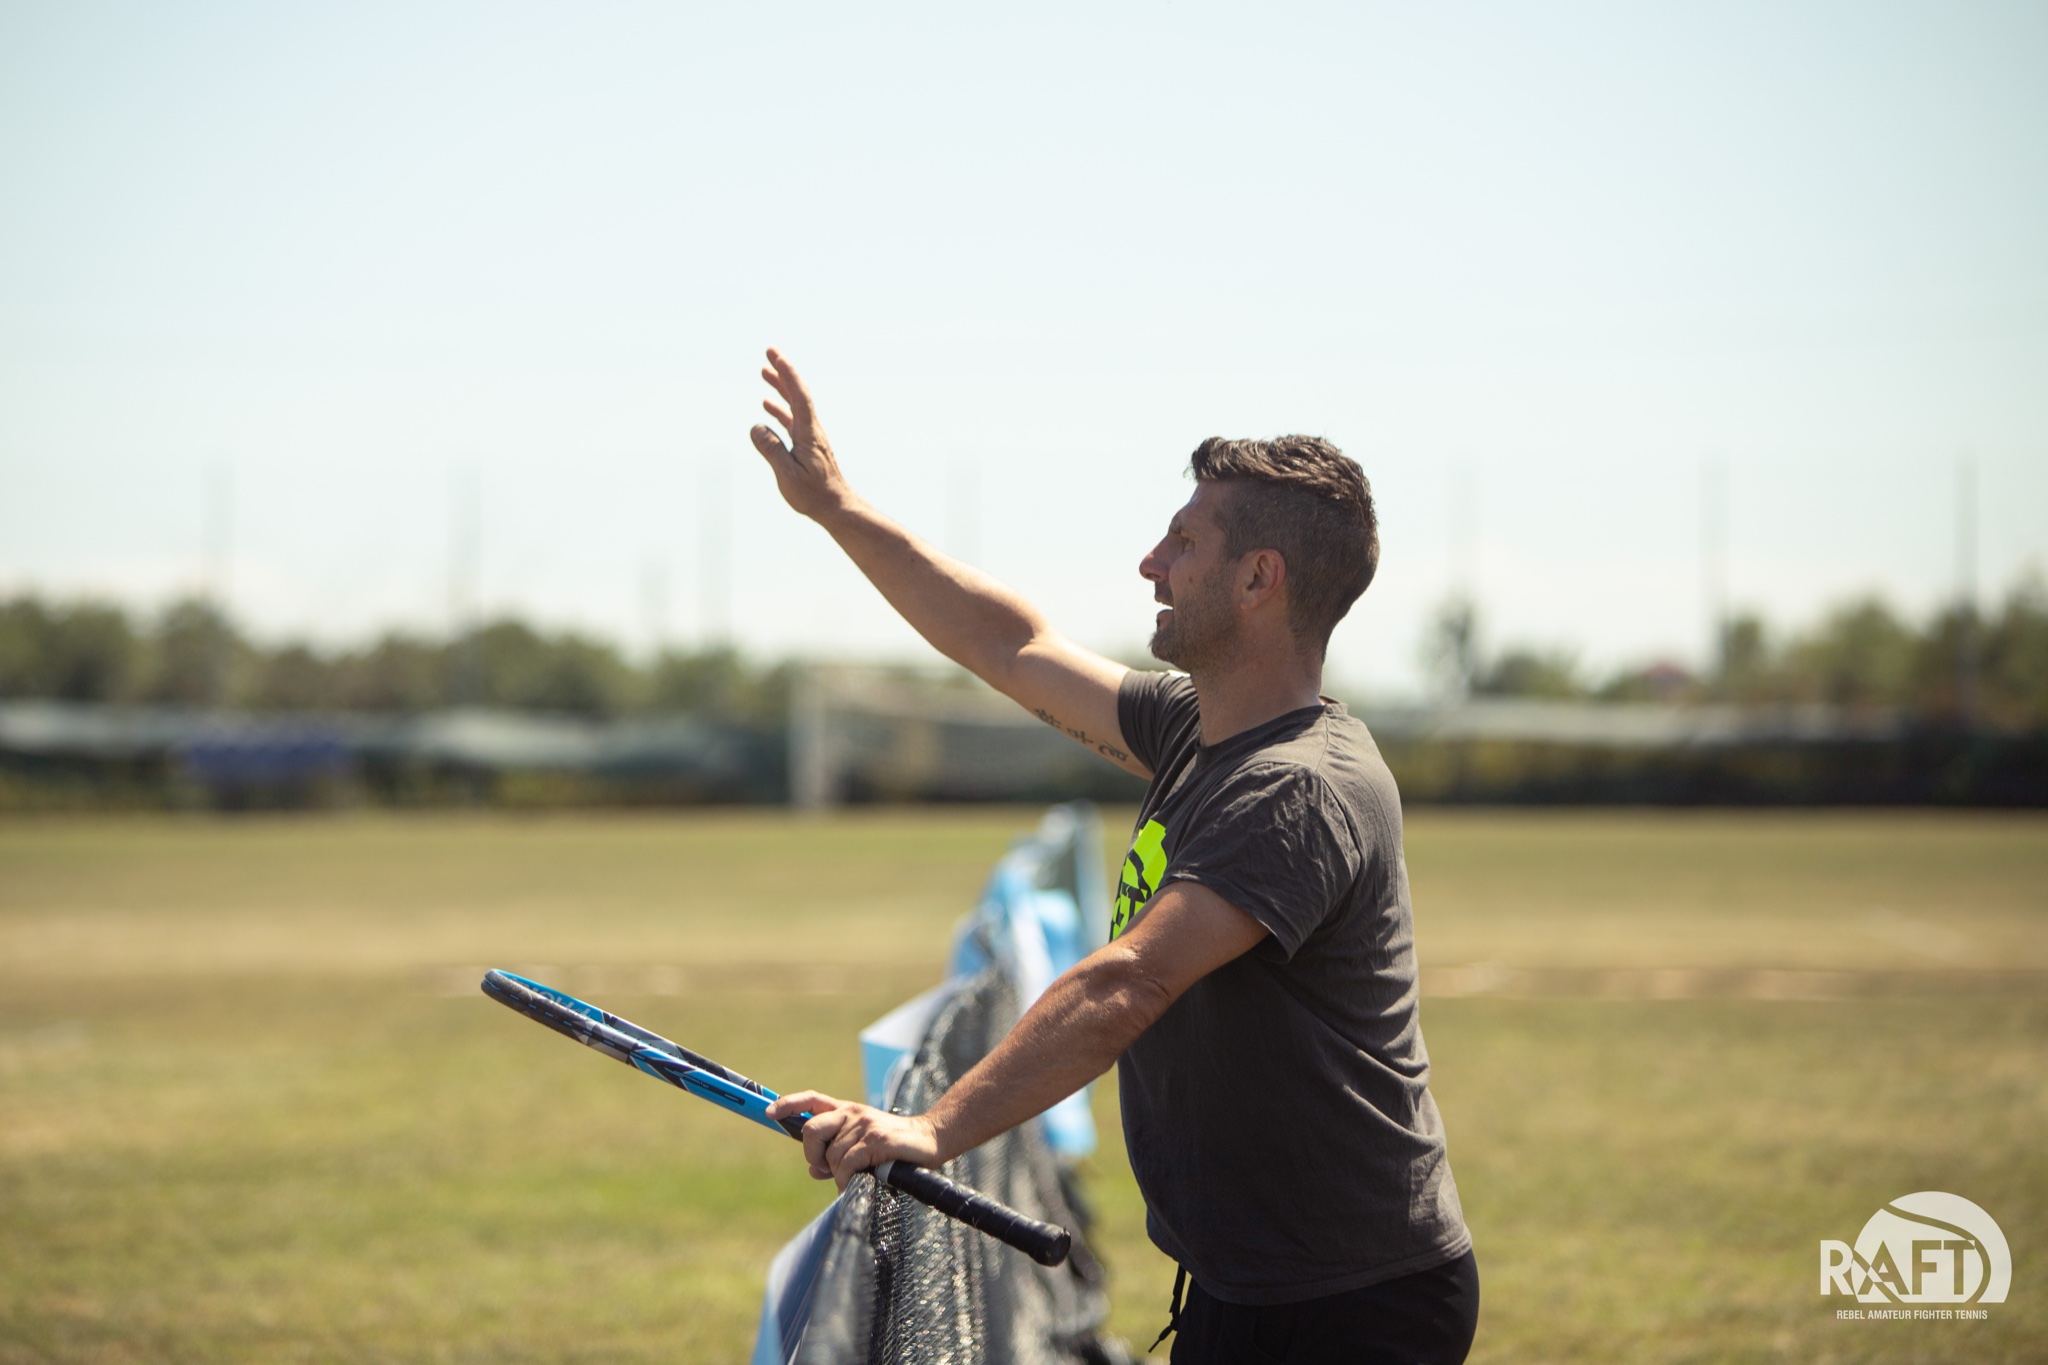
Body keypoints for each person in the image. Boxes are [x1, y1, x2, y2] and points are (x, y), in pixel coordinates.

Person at [751, 348, 1477, 1364]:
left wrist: (929, 1130)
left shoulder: (1296, 787)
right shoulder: (1196, 728)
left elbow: (1128, 980)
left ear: (1259, 578)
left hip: (1347, 1308)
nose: (1150, 563)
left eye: (1182, 542)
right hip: (1250, 1286)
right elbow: (1009, 646)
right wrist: (836, 508)